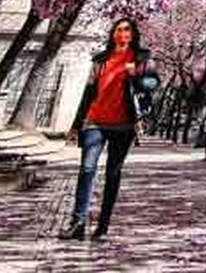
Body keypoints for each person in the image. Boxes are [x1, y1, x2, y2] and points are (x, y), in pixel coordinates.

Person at [60, 16, 157, 242]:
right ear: (113, 33)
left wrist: (137, 76)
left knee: (113, 174)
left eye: (127, 29)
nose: (122, 33)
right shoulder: (100, 59)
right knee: (86, 169)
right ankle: (78, 223)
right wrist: (76, 125)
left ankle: (102, 227)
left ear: (133, 34)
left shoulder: (143, 58)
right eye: (118, 29)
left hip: (124, 124)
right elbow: (88, 93)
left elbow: (153, 84)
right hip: (94, 121)